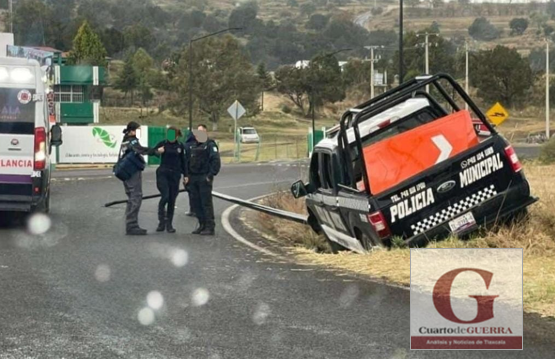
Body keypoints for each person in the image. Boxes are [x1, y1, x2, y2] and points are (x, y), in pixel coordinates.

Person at [121, 121, 164, 235]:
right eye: (138, 130)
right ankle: (132, 225)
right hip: (131, 171)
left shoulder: (125, 139)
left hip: (125, 172)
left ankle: (130, 223)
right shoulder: (132, 140)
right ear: (132, 131)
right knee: (136, 196)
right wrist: (155, 151)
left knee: (131, 197)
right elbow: (140, 150)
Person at [187, 124, 221, 235]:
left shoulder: (210, 145)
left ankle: (210, 226)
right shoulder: (193, 146)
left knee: (206, 203)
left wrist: (210, 175)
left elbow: (216, 161)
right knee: (196, 203)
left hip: (204, 177)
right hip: (194, 177)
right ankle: (201, 224)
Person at [154, 126, 188, 233]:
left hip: (175, 174)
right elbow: (153, 152)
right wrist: (158, 151)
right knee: (165, 196)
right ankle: (161, 221)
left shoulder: (180, 146)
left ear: (177, 136)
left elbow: (183, 161)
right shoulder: (162, 143)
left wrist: (186, 175)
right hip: (163, 173)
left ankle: (169, 224)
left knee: (172, 199)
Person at [184, 130, 197, 217]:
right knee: (197, 192)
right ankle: (198, 210)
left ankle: (192, 209)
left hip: (188, 172)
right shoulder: (198, 145)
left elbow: (184, 160)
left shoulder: (185, 146)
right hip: (198, 172)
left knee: (190, 191)